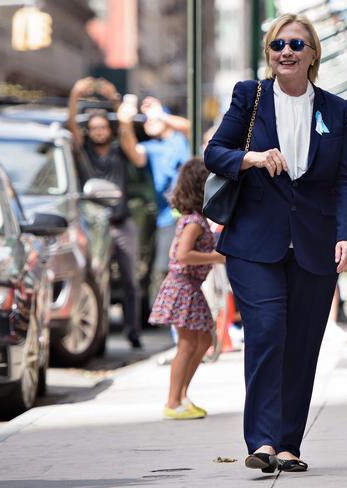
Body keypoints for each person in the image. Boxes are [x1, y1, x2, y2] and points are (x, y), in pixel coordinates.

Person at [204, 13, 347, 473]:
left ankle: (289, 443)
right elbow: (215, 152)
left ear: (313, 53)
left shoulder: (334, 108)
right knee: (268, 331)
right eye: (277, 45)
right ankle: (263, 441)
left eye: (297, 44)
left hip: (314, 243)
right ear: (269, 54)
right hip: (254, 241)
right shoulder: (249, 96)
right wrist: (249, 158)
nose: (286, 52)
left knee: (303, 343)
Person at [67, 77, 143, 349]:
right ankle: (98, 338)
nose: (99, 131)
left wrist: (115, 100)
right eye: (94, 128)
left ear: (109, 130)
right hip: (93, 225)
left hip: (121, 223)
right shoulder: (82, 151)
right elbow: (72, 126)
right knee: (96, 279)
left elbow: (136, 153)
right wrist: (75, 95)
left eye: (103, 127)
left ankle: (133, 332)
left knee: (131, 280)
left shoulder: (118, 151)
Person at [148, 158, 224, 419]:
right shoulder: (193, 222)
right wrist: (217, 257)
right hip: (183, 287)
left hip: (189, 287)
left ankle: (182, 396)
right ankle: (173, 401)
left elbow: (174, 250)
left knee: (202, 340)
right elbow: (182, 255)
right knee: (188, 344)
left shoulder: (193, 220)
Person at [117, 96, 191, 306]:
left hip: (191, 214)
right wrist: (125, 123)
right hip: (167, 218)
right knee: (165, 268)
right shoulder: (150, 147)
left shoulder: (180, 139)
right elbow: (134, 153)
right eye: (146, 118)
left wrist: (160, 115)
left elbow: (190, 127)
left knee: (189, 265)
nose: (149, 121)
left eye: (153, 117)